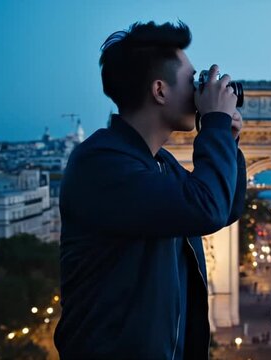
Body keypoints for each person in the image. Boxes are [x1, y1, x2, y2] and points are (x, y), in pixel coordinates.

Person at [54, 21, 247, 359]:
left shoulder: (159, 163)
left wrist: (226, 139)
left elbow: (225, 207)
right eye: (193, 81)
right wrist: (213, 125)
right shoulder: (100, 164)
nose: (200, 92)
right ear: (159, 90)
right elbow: (206, 208)